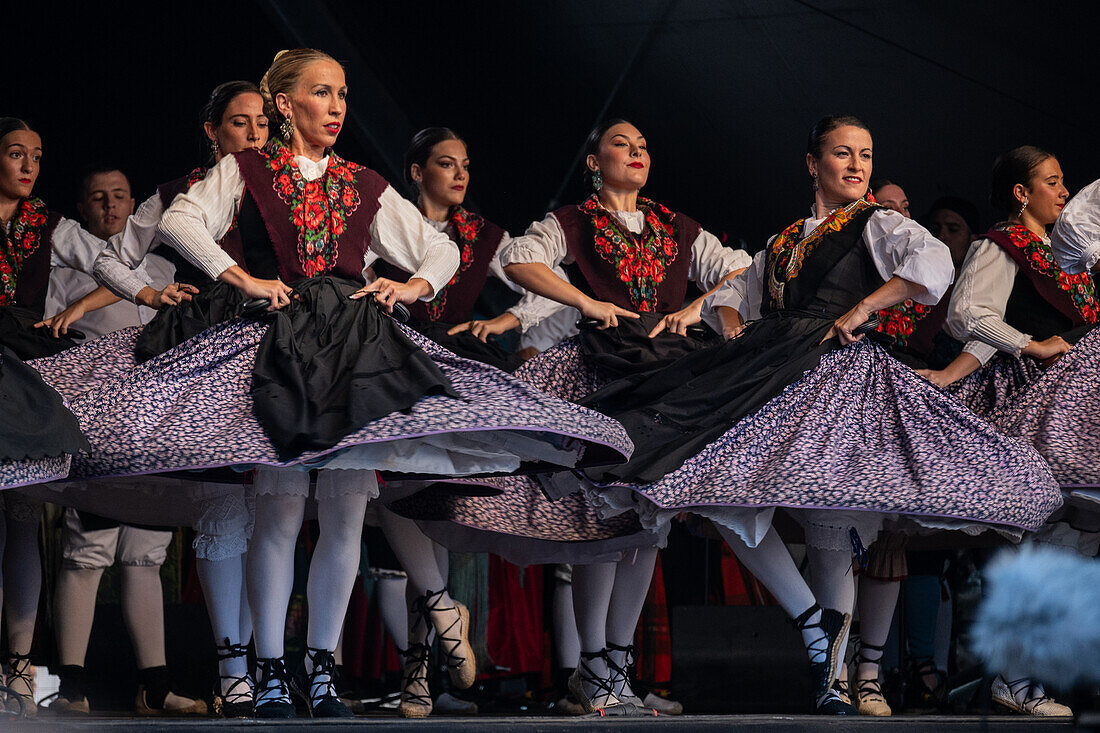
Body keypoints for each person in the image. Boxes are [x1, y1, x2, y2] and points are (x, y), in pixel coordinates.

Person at [64, 48, 628, 718]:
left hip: (353, 340)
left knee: (346, 511)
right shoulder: (245, 170)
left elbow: (441, 247)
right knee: (277, 504)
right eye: (322, 93)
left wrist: (413, 285)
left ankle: (320, 669)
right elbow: (184, 220)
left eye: (343, 94)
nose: (336, 107)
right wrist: (239, 277)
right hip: (279, 340)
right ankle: (270, 668)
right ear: (285, 103)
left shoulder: (363, 182)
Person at [577, 115, 1062, 715]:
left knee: (832, 532)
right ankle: (813, 621)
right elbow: (733, 296)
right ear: (813, 164)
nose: (858, 165)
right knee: (715, 489)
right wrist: (731, 325)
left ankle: (833, 679)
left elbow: (932, 264)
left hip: (836, 377)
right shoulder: (783, 241)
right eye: (842, 153)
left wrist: (866, 306)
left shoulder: (877, 221)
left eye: (866, 154)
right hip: (771, 371)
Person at [398, 118, 752, 715]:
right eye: (622, 144)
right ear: (593, 161)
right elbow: (521, 263)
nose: (637, 152)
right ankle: (593, 667)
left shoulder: (677, 226)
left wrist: (695, 308)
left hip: (662, 379)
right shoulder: (572, 223)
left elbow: (744, 270)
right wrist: (587, 302)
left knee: (649, 524)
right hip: (598, 375)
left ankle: (611, 667)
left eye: (643, 145)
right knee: (604, 521)